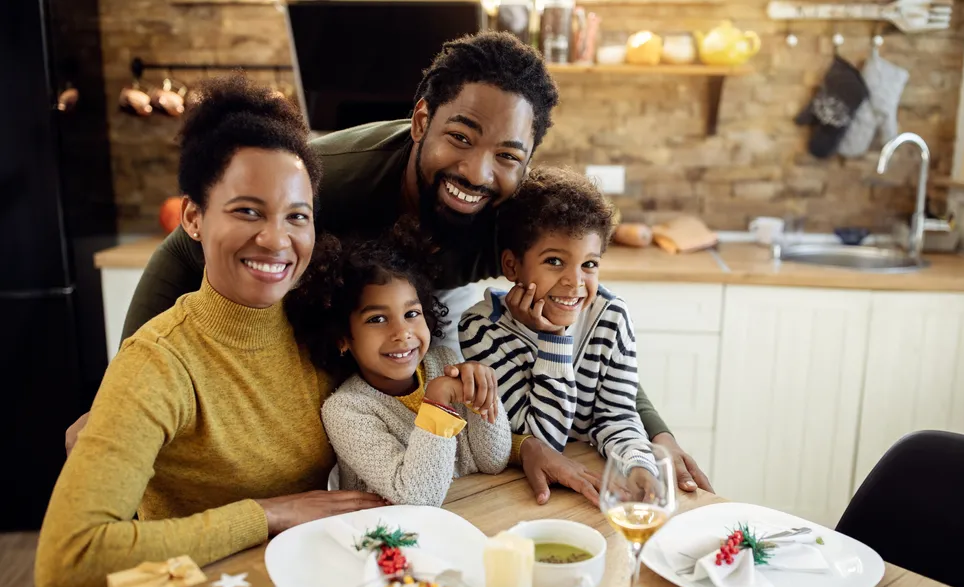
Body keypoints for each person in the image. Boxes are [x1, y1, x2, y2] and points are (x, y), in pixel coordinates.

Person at [70, 31, 710, 501]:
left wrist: (652, 430)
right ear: (422, 119)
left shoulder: (509, 217)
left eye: (507, 155)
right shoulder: (331, 180)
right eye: (460, 137)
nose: (477, 172)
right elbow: (183, 247)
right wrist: (118, 396)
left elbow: (578, 302)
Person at [35, 74, 386, 587]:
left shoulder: (321, 325)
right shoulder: (158, 360)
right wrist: (268, 513)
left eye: (297, 216)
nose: (276, 238)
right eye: (248, 210)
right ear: (194, 219)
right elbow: (69, 561)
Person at [286, 227, 511, 507]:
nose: (403, 332)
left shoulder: (444, 363)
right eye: (377, 319)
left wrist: (485, 394)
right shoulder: (347, 409)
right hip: (390, 531)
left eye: (411, 313)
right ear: (342, 337)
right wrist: (437, 404)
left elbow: (493, 460)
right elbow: (417, 498)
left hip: (471, 512)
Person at [459, 166, 658, 475]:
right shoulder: (482, 329)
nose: (574, 281)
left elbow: (618, 418)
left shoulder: (611, 317)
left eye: (589, 264)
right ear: (512, 266)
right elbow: (541, 443)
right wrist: (553, 338)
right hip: (522, 482)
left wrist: (639, 467)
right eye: (554, 261)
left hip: (591, 472)